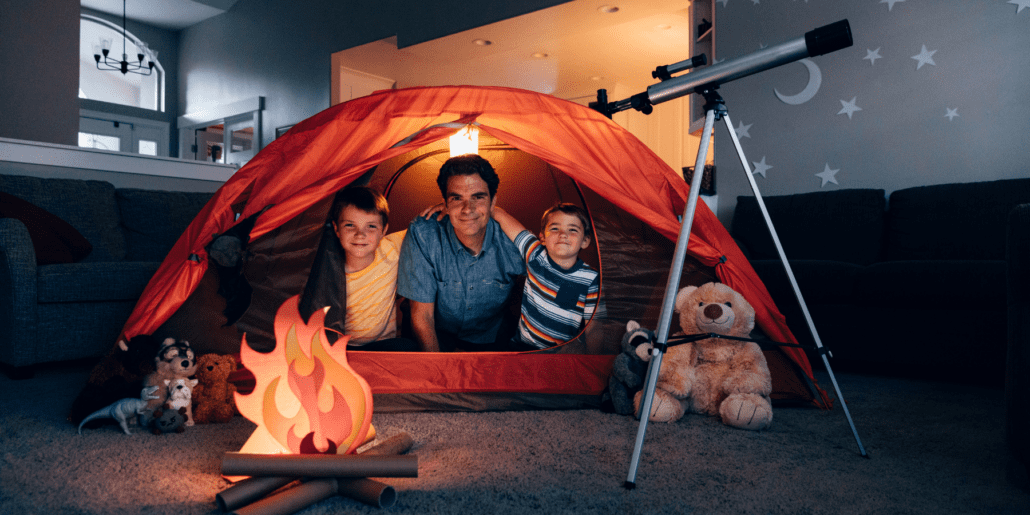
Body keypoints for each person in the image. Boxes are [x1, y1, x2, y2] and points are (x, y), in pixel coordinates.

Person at [396, 154, 526, 352]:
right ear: (445, 204)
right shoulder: (424, 233)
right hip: (435, 336)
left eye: (478, 197)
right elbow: (423, 317)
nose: (467, 209)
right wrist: (439, 368)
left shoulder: (511, 240)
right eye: (457, 198)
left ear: (493, 203)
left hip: (489, 338)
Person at [491, 203, 601, 350]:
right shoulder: (535, 254)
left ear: (585, 241)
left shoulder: (591, 279)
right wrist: (484, 206)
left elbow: (594, 328)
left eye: (572, 229)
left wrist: (588, 355)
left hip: (558, 354)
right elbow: (502, 217)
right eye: (555, 228)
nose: (563, 234)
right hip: (520, 346)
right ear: (542, 237)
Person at [329, 186, 418, 352]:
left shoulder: (391, 248)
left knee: (409, 347)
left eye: (370, 226)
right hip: (341, 347)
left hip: (381, 346)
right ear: (336, 229)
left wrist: (443, 208)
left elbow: (424, 228)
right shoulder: (327, 269)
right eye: (350, 225)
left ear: (383, 230)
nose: (360, 234)